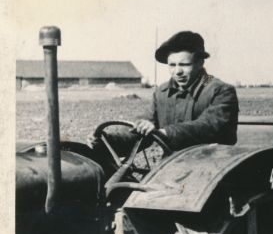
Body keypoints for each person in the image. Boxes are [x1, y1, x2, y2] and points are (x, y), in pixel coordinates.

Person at [89, 30, 238, 151]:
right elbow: (143, 129)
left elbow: (209, 126)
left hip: (210, 164)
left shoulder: (219, 89)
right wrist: (108, 140)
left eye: (185, 65)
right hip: (171, 164)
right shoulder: (162, 92)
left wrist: (165, 132)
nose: (177, 71)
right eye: (172, 65)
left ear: (200, 63)